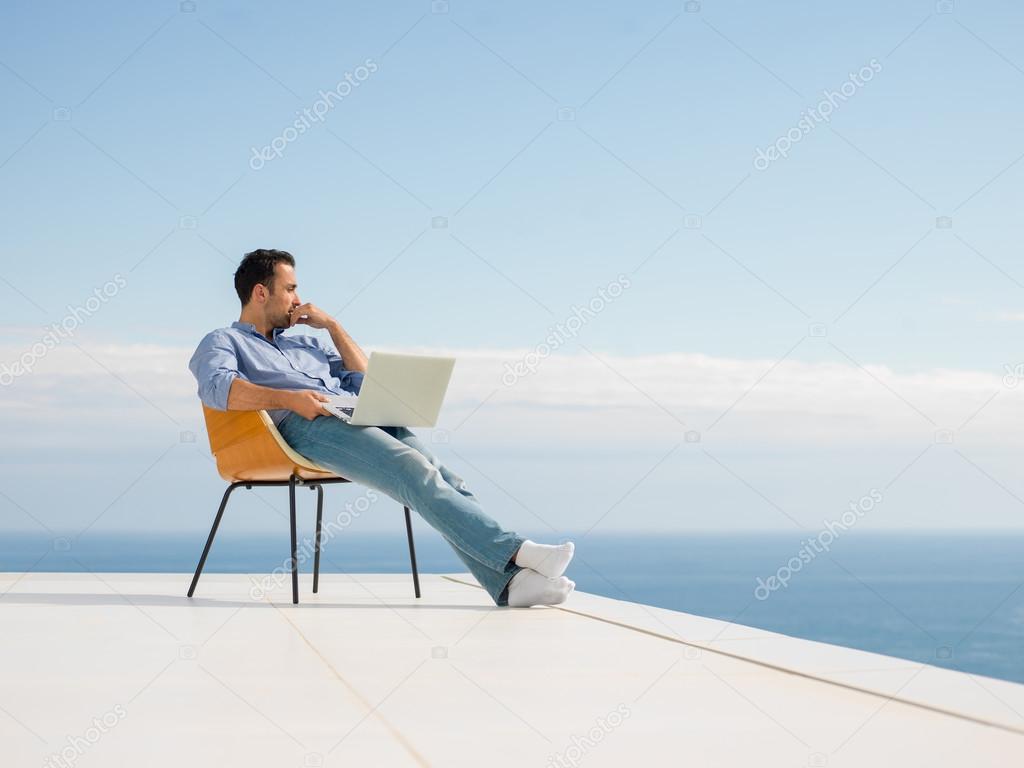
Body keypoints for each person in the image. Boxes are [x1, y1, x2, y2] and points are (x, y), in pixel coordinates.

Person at [188, 248, 576, 607]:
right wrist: (290, 399)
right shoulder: (223, 341)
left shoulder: (305, 343)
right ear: (260, 292)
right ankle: (515, 552)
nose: (297, 298)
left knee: (445, 477)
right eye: (290, 289)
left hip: (353, 414)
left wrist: (334, 327)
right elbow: (217, 388)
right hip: (301, 427)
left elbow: (367, 381)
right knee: (412, 469)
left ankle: (509, 586)